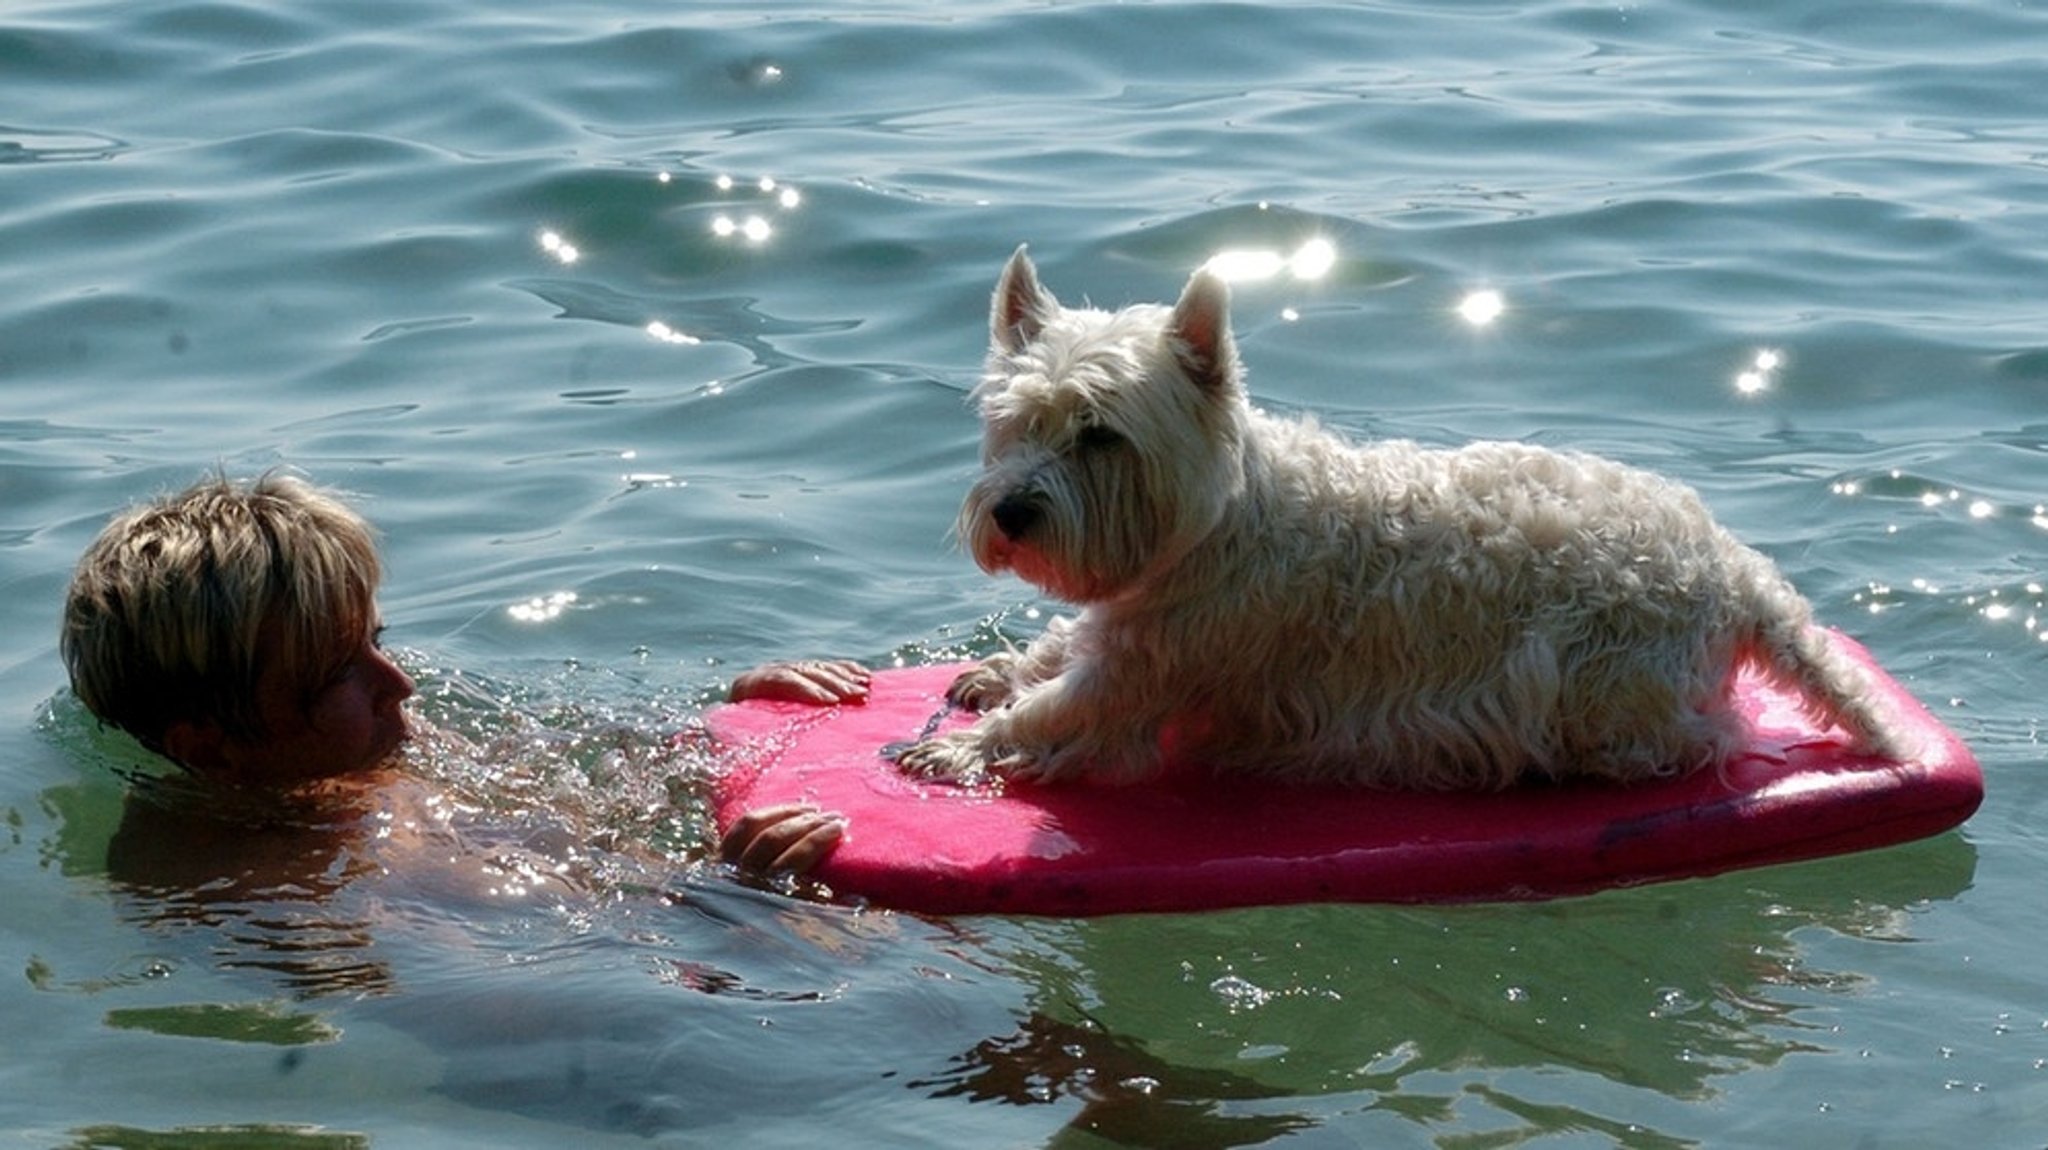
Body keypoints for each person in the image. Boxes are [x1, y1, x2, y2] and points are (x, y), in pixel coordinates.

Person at [60, 470, 864, 877]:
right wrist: (731, 904)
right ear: (207, 747)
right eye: (340, 671)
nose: (400, 685)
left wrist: (728, 726)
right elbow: (539, 1024)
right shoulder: (255, 887)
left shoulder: (343, 759)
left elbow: (602, 771)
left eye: (377, 640)